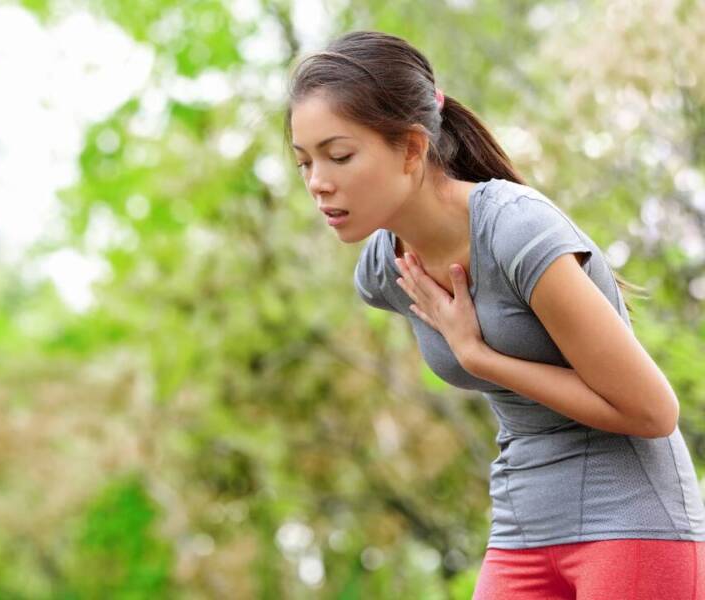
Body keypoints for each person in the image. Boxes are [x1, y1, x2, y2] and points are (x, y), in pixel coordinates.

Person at [284, 30, 705, 599]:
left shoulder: (515, 229)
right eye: (304, 161)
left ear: (411, 148)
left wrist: (481, 357)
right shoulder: (383, 270)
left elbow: (653, 412)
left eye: (339, 156)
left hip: (630, 519)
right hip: (522, 525)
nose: (317, 182)